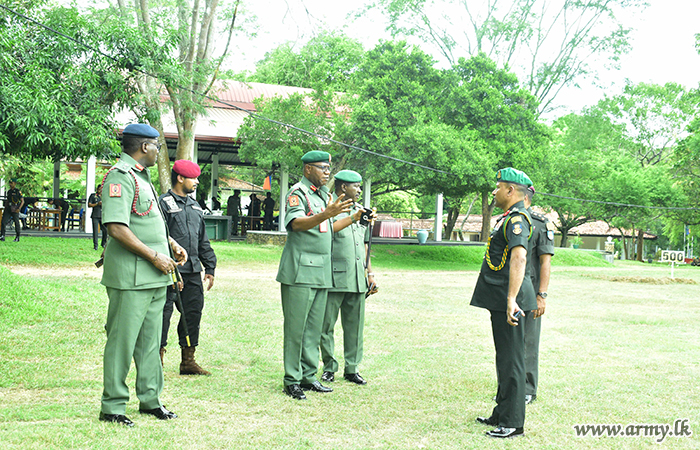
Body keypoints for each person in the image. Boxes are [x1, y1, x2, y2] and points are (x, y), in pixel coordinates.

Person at [99, 123, 187, 427]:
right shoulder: (120, 177)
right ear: (145, 146)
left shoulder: (142, 177)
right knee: (122, 342)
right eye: (157, 145)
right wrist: (154, 256)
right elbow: (117, 227)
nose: (159, 151)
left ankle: (150, 400)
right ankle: (113, 406)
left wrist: (171, 245)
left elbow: (147, 222)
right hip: (131, 276)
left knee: (150, 342)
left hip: (154, 275)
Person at [276, 150, 354, 400]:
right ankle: (292, 379)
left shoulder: (323, 197)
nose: (327, 172)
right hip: (300, 271)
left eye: (328, 168)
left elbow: (328, 226)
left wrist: (353, 217)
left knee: (313, 329)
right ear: (308, 169)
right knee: (296, 329)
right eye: (322, 168)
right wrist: (326, 214)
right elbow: (295, 224)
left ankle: (309, 376)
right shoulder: (297, 193)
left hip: (321, 270)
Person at [472, 167, 536, 439]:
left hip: (512, 301)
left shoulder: (518, 219)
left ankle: (513, 422)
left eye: (498, 187)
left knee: (512, 360)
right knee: (504, 358)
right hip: (501, 299)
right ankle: (502, 412)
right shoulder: (508, 218)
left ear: (511, 191)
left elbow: (519, 258)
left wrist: (511, 299)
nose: (495, 191)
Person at [159, 159, 217, 376]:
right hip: (169, 271)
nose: (197, 182)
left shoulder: (195, 206)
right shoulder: (163, 203)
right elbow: (158, 238)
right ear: (180, 178)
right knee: (163, 315)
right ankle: (157, 360)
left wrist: (210, 267)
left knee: (192, 314)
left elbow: (203, 240)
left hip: (192, 271)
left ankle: (188, 361)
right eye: (193, 178)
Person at [320, 170, 378, 386]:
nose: (360, 190)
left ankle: (352, 368)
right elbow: (328, 231)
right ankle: (329, 367)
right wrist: (351, 217)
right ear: (344, 188)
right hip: (335, 277)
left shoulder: (359, 211)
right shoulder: (330, 210)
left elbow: (364, 244)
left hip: (357, 278)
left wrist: (369, 273)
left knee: (355, 326)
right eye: (357, 186)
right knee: (326, 326)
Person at [522, 186, 554, 405]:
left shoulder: (540, 223)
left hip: (530, 290)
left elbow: (545, 261)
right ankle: (508, 385)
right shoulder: (504, 220)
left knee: (529, 341)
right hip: (507, 290)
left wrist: (541, 295)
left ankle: (527, 388)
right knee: (507, 342)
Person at [1, 178, 23, 242]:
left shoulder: (17, 191)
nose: (10, 184)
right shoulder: (9, 191)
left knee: (16, 222)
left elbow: (22, 201)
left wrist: (19, 208)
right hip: (8, 208)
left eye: (12, 183)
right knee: (3, 221)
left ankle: (17, 236)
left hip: (15, 208)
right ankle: (2, 235)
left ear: (15, 183)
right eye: (10, 183)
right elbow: (8, 200)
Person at [88, 185, 107, 250]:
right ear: (97, 189)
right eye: (99, 189)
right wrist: (97, 204)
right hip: (95, 215)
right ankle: (95, 245)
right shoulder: (93, 196)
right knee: (95, 231)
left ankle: (103, 243)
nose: (100, 191)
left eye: (101, 190)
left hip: (103, 215)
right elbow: (89, 205)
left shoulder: (105, 196)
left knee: (105, 230)